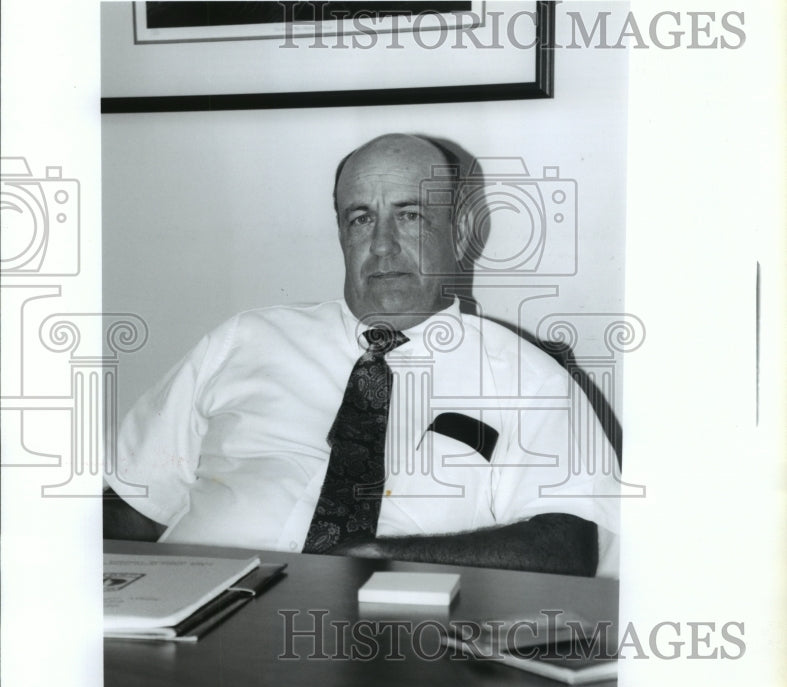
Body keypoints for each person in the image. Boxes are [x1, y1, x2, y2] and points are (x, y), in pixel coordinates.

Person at [104, 133, 620, 576]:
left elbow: (565, 547)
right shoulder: (245, 339)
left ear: (460, 233)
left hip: (390, 635)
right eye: (360, 219)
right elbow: (132, 505)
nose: (382, 245)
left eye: (411, 215)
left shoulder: (528, 379)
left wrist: (383, 556)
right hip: (193, 614)